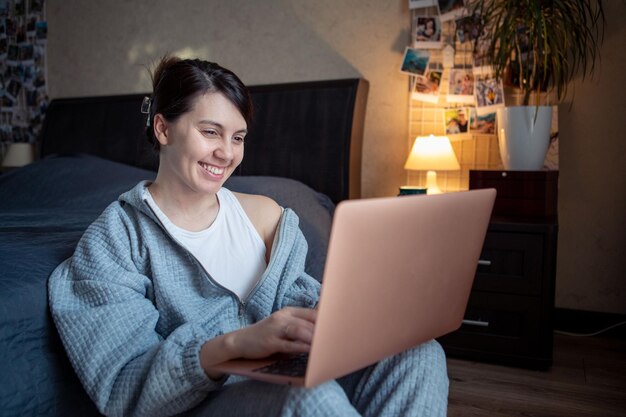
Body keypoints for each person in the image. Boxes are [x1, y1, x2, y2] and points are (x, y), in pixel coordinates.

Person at [48, 56, 449, 417]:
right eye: (211, 132)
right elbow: (124, 386)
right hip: (199, 402)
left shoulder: (266, 216)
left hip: (282, 377)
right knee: (309, 397)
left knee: (417, 354)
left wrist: (352, 315)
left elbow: (299, 301)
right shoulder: (116, 239)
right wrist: (235, 346)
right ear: (163, 129)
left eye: (237, 137)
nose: (226, 153)